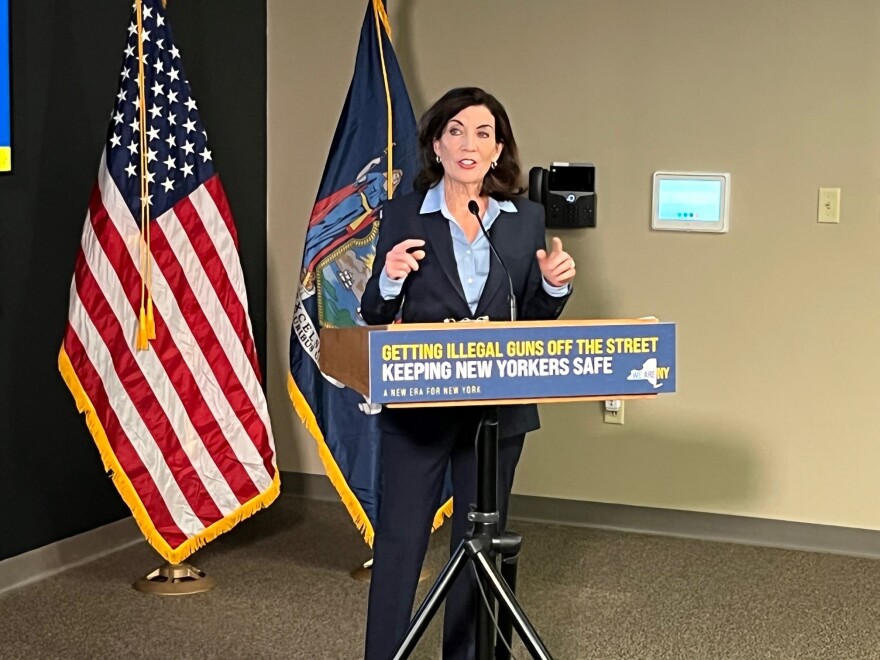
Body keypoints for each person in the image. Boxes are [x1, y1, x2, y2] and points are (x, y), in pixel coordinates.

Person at [360, 87, 576, 660]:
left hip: (497, 413)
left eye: (483, 133)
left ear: (498, 148)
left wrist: (553, 286)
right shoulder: (404, 214)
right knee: (403, 543)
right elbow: (374, 314)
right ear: (437, 143)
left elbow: (527, 320)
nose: (469, 143)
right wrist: (388, 278)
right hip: (418, 410)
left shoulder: (525, 219)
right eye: (456, 130)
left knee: (480, 544)